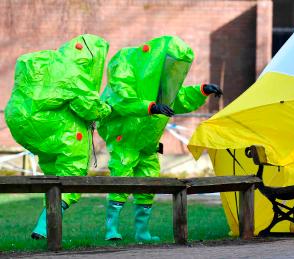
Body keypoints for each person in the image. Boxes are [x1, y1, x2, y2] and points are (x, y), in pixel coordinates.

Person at [98, 35, 222, 242]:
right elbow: (122, 100)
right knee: (121, 181)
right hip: (126, 140)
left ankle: (142, 232)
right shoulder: (128, 66)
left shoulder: (163, 86)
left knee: (149, 184)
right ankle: (111, 229)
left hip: (149, 145)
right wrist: (150, 107)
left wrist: (202, 90)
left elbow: (179, 99)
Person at [5, 34, 112, 239]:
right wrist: (106, 109)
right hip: (48, 122)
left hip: (20, 121)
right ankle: (46, 224)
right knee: (73, 166)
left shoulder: (48, 63)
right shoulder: (73, 71)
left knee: (53, 169)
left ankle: (45, 222)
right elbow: (89, 108)